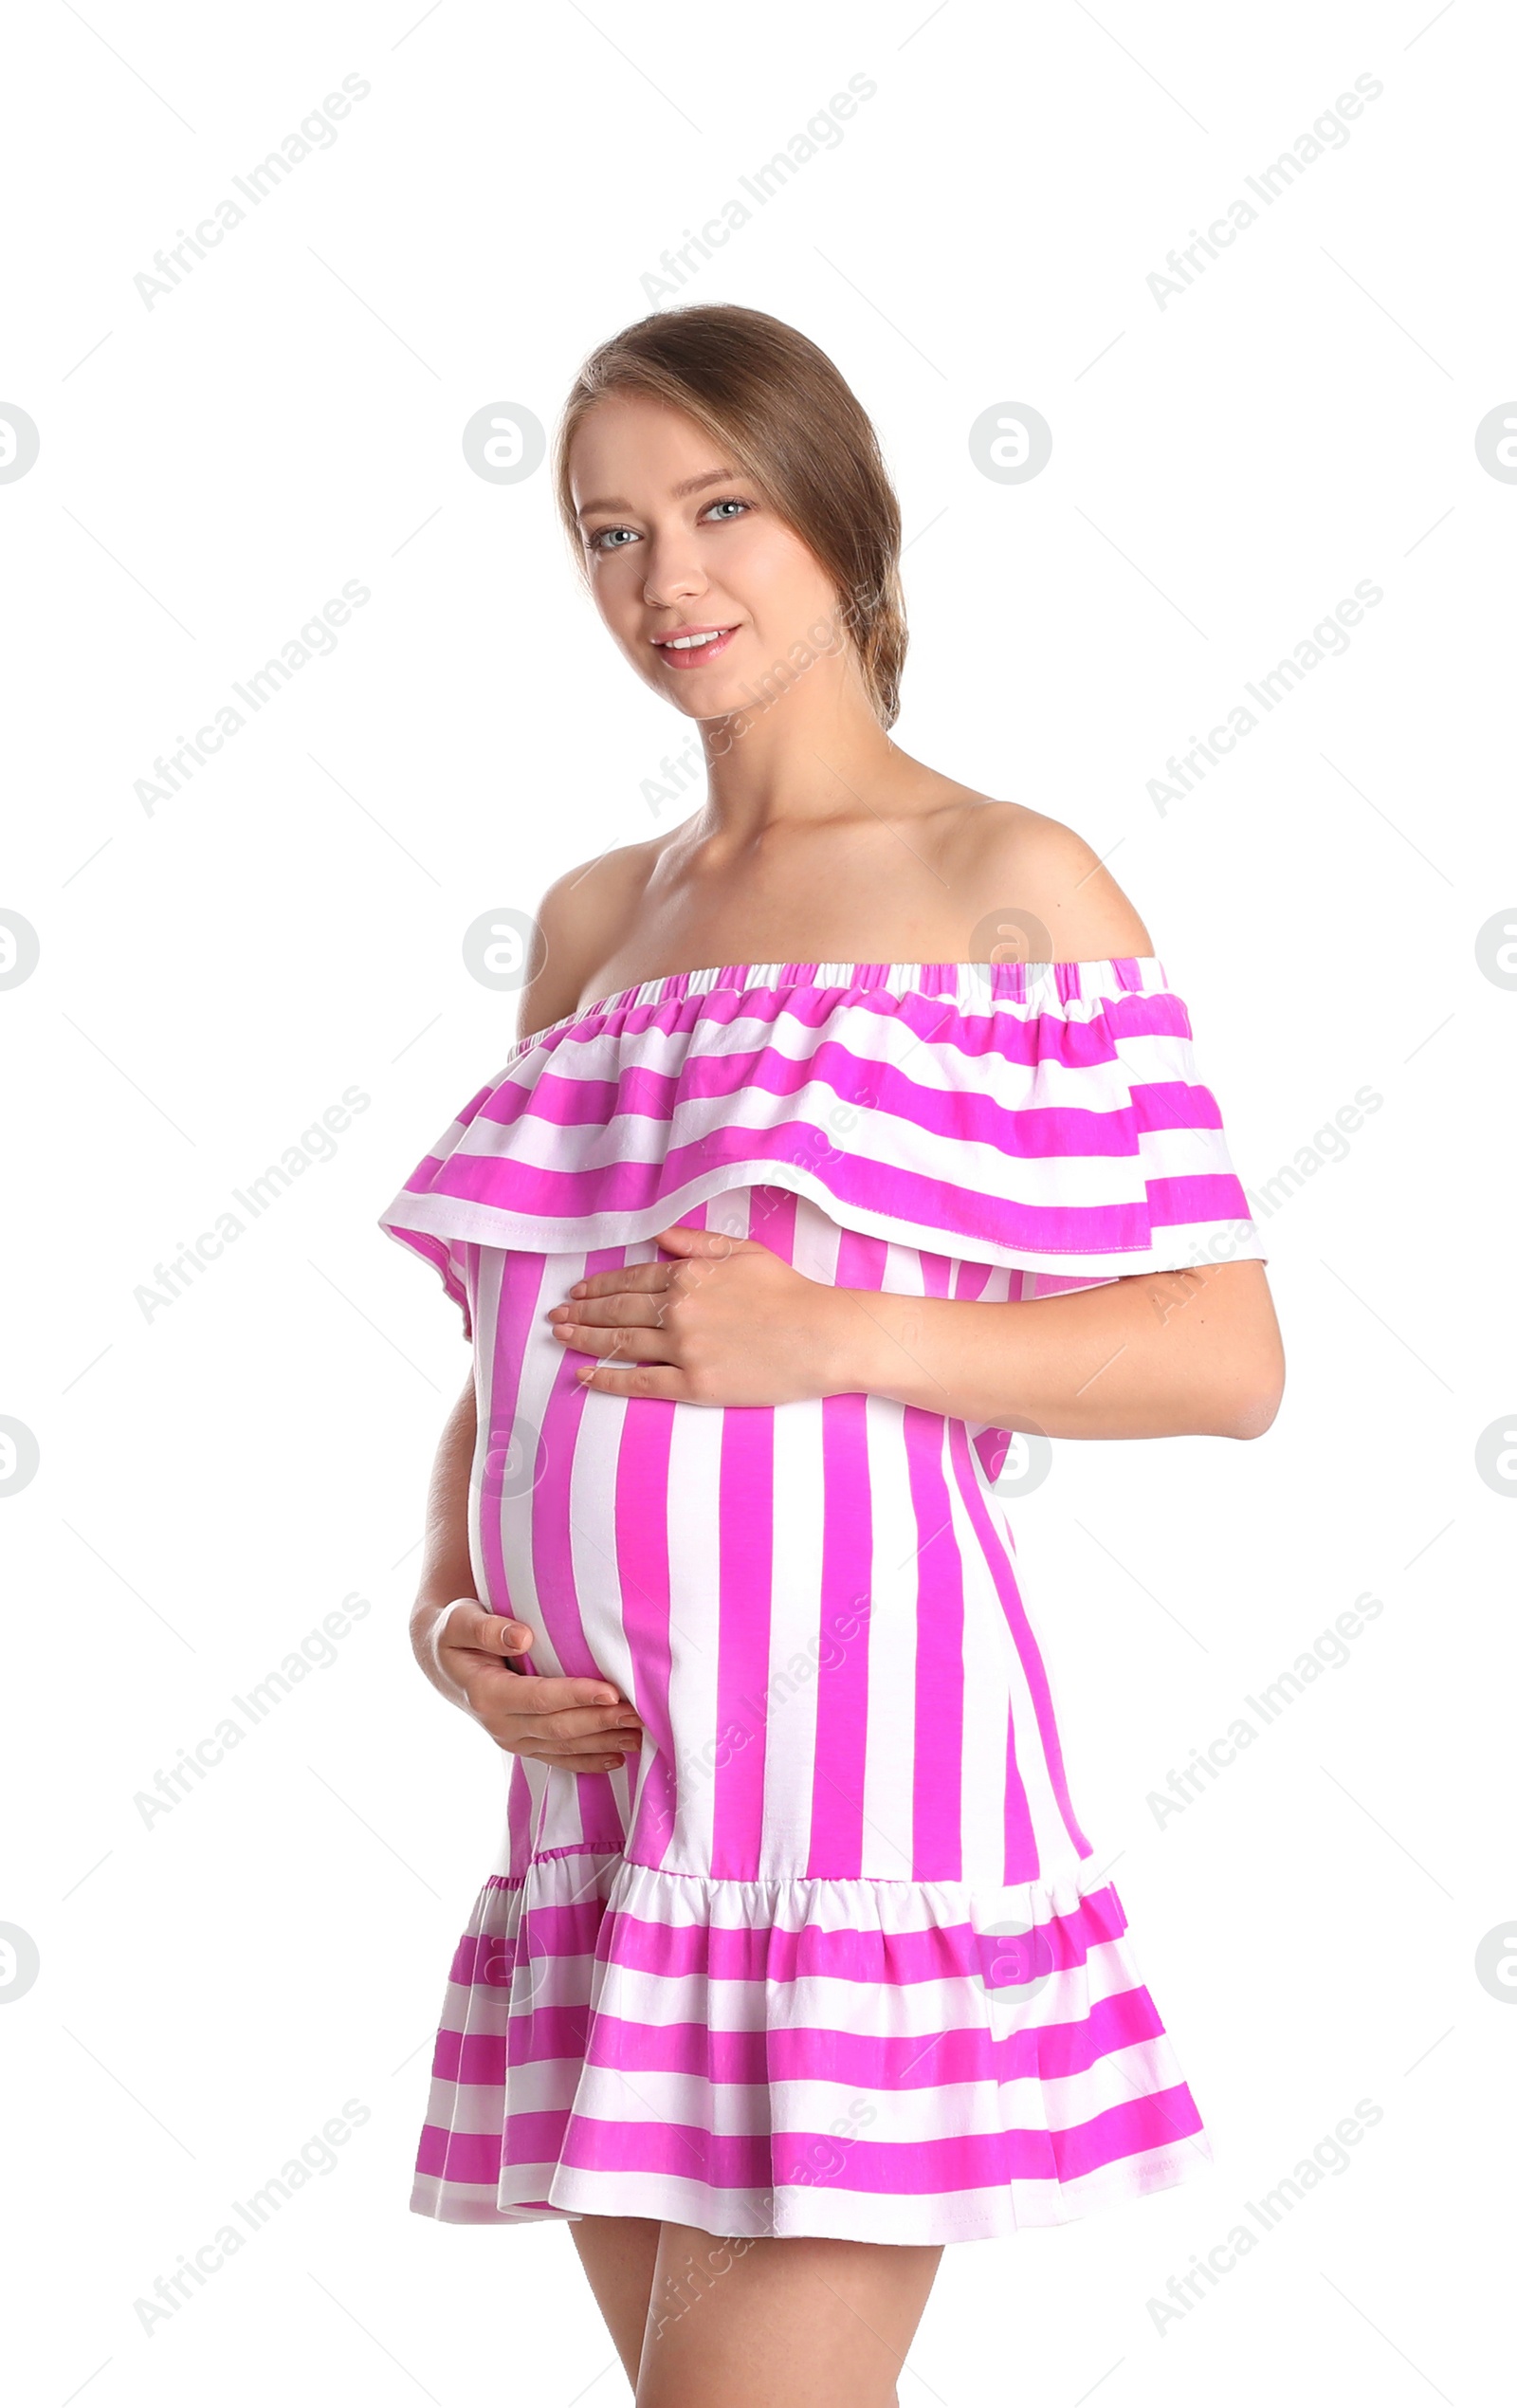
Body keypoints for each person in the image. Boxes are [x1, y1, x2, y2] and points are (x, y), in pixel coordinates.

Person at [377, 302, 1286, 2408]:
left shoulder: (1003, 878)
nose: (664, 581)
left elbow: (1221, 1351)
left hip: (842, 1794)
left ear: (844, 526)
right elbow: (513, 1340)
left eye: (718, 510)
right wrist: (446, 1608)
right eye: (606, 533)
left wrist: (831, 1333)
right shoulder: (601, 916)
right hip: (602, 1812)